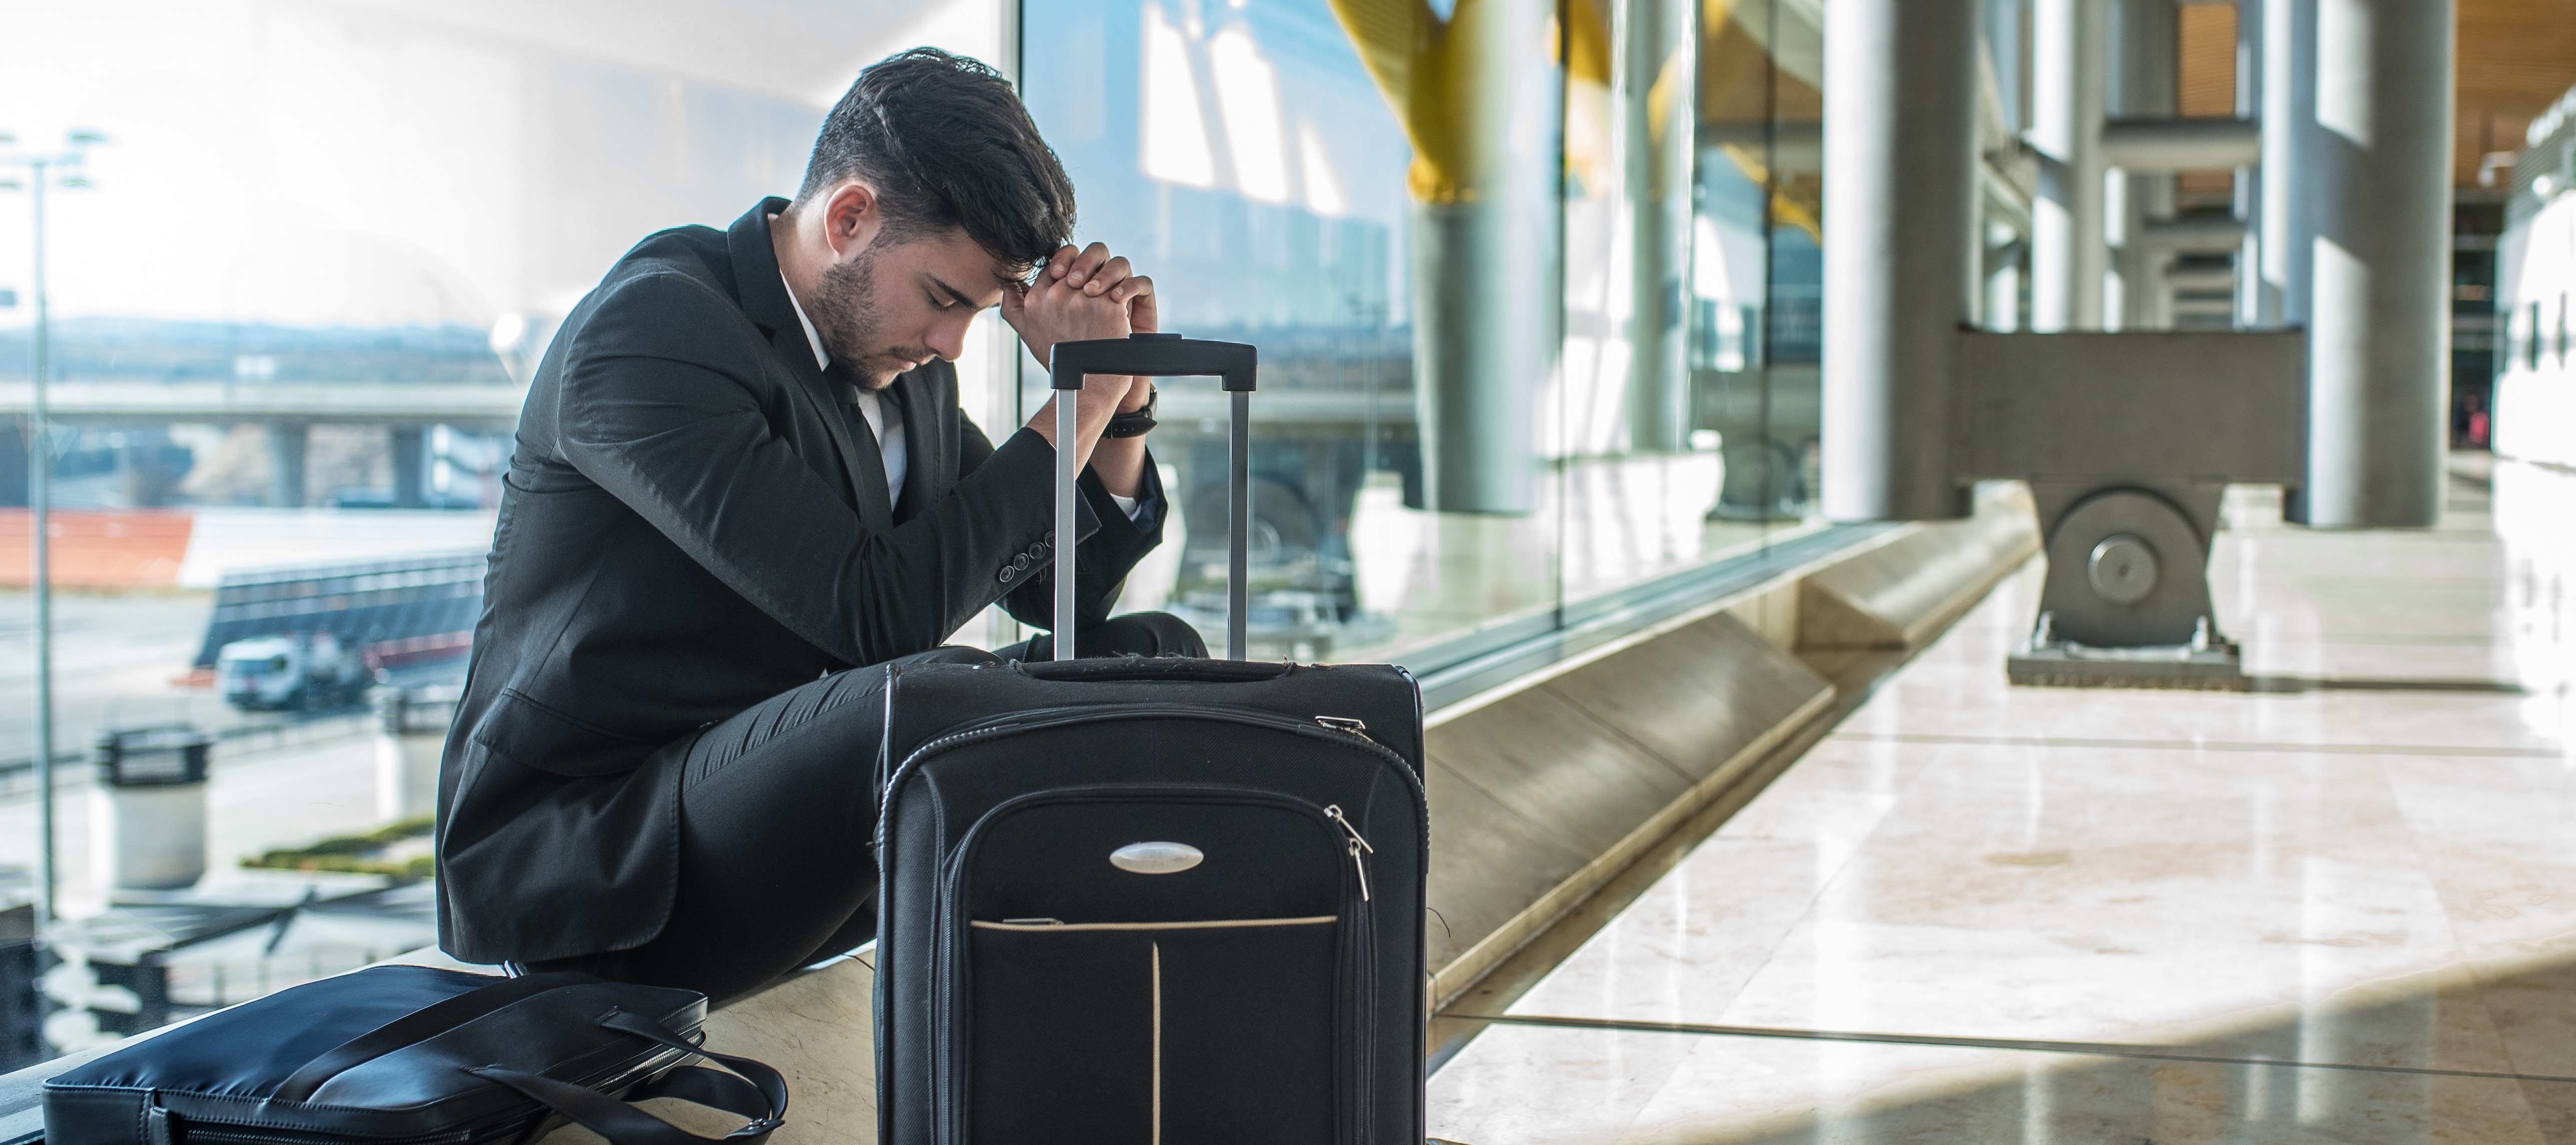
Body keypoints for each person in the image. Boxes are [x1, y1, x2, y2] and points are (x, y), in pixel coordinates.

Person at [435, 48, 1199, 1001]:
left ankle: (1162, 997)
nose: (950, 344)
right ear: (848, 219)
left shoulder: (904, 371)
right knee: (925, 697)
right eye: (944, 299)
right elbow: (875, 616)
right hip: (602, 859)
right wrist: (1072, 403)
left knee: (1157, 657)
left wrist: (1122, 401)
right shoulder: (651, 334)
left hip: (790, 835)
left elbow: (1060, 594)